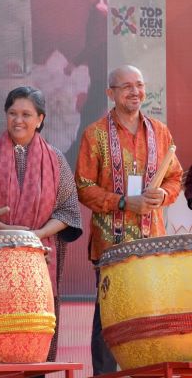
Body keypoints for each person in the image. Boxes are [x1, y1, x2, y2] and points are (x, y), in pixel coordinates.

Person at [75, 65, 182, 375]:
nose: (135, 92)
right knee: (108, 320)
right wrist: (123, 201)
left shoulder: (160, 132)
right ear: (110, 93)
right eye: (126, 87)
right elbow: (83, 187)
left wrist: (162, 196)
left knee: (153, 318)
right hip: (112, 246)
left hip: (152, 245)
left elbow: (174, 176)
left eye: (139, 85)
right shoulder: (94, 134)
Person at [0, 85, 83, 363]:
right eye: (12, 113)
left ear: (40, 119)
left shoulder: (57, 159)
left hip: (40, 258)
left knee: (37, 338)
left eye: (26, 114)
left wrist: (37, 235)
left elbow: (69, 210)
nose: (18, 120)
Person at [65, 0, 108, 166]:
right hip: (99, 76)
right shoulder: (99, 11)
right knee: (90, 118)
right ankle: (77, 158)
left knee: (88, 118)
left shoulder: (99, 13)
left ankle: (72, 160)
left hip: (101, 77)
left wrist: (74, 63)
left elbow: (93, 45)